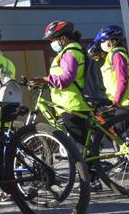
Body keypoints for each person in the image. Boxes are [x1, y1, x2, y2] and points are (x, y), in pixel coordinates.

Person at [29, 20, 95, 159]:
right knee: (81, 143)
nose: (51, 43)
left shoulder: (70, 52)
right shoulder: (73, 50)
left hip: (72, 104)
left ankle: (89, 175)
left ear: (63, 38)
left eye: (53, 39)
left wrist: (45, 79)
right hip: (72, 103)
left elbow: (66, 79)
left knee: (79, 146)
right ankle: (91, 173)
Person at [91, 25, 129, 108]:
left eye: (103, 41)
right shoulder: (111, 55)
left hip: (124, 102)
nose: (102, 44)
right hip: (118, 101)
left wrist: (116, 100)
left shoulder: (117, 56)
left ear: (113, 41)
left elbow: (122, 80)